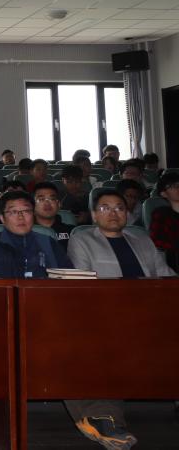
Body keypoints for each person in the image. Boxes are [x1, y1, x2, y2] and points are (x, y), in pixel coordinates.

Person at [65, 190, 175, 449]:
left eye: (119, 208)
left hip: (150, 313)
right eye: (105, 208)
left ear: (127, 213)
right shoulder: (82, 240)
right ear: (94, 215)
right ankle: (103, 417)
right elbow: (83, 285)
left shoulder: (142, 241)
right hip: (104, 315)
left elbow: (166, 277)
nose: (113, 213)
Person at [0, 191, 71, 278]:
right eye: (13, 212)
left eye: (26, 211)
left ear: (33, 214)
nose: (20, 217)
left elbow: (69, 278)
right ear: (2, 218)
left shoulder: (48, 242)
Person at [148, 170, 179, 271]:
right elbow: (157, 241)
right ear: (163, 194)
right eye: (173, 186)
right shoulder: (161, 215)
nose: (178, 187)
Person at [32, 182, 74, 246]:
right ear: (32, 205)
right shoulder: (26, 231)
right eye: (41, 199)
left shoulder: (71, 232)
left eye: (52, 199)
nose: (47, 203)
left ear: (59, 204)